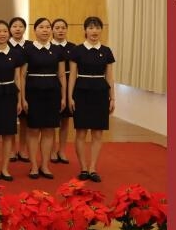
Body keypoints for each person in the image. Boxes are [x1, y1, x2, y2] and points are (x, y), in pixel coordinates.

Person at [68, 16, 116, 183]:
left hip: (101, 93)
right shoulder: (77, 50)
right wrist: (70, 97)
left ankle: (93, 168)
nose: (94, 31)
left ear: (101, 30)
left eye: (97, 28)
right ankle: (83, 168)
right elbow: (72, 76)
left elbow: (109, 76)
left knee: (97, 132)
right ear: (85, 30)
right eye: (90, 28)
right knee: (81, 132)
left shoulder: (107, 51)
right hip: (81, 92)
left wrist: (112, 98)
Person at [20, 17, 66, 179]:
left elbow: (62, 75)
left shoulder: (57, 50)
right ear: (35, 30)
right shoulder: (28, 49)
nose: (45, 30)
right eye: (41, 27)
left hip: (53, 92)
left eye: (47, 27)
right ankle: (33, 166)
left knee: (48, 130)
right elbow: (22, 76)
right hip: (33, 93)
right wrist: (23, 98)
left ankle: (45, 165)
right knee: (33, 130)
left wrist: (63, 97)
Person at [0, 20, 24, 181]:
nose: (2, 34)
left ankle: (5, 168)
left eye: (5, 31)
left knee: (8, 134)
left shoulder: (16, 53)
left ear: (9, 33)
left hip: (10, 95)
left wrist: (20, 100)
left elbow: (18, 78)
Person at [49, 18, 77, 164]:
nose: (60, 30)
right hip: (52, 83)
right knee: (52, 120)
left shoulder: (73, 47)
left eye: (63, 28)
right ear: (52, 30)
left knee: (65, 120)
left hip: (69, 82)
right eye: (57, 28)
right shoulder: (48, 46)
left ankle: (62, 150)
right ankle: (52, 150)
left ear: (66, 29)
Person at [8, 16, 33, 163]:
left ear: (25, 29)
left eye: (20, 26)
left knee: (25, 120)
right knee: (11, 119)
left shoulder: (30, 45)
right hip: (9, 86)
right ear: (10, 29)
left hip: (29, 85)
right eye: (14, 26)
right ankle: (11, 149)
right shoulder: (5, 44)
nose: (17, 29)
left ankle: (22, 149)